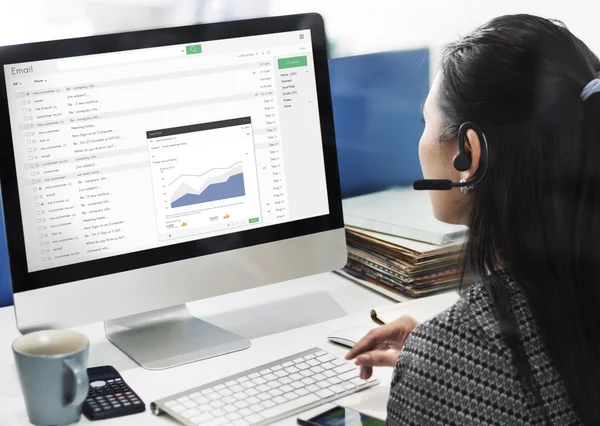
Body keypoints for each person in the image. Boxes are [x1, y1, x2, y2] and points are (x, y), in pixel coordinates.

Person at [346, 14, 600, 426]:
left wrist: (446, 358)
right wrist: (453, 347)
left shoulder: (448, 359)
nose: (421, 141)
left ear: (468, 153)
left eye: (425, 123)